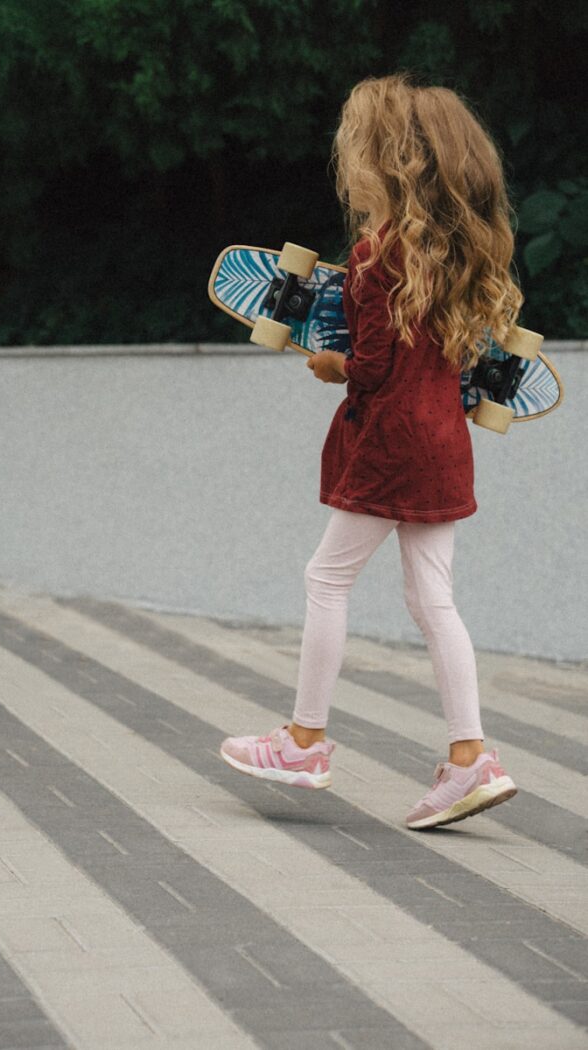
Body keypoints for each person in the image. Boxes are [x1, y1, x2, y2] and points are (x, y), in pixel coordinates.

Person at [220, 72, 520, 830]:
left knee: (326, 578)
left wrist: (333, 365)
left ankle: (303, 742)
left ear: (383, 163)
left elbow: (376, 366)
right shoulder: (456, 254)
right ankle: (471, 758)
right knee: (433, 599)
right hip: (444, 443)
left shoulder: (377, 255)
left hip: (392, 444)